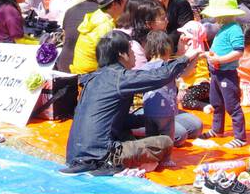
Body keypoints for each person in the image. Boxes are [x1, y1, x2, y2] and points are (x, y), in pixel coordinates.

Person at [62, 32, 202, 175]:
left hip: (74, 154)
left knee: (131, 133)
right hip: (102, 156)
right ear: (122, 55)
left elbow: (116, 118)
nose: (135, 54)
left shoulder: (92, 78)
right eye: (131, 49)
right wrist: (186, 57)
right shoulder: (119, 77)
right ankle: (117, 164)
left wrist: (147, 119)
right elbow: (160, 76)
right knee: (165, 142)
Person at [139, 30, 203, 143]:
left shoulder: (145, 68)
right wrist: (195, 56)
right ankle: (166, 157)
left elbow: (185, 72)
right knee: (169, 134)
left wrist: (195, 57)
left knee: (151, 136)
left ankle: (151, 152)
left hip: (149, 112)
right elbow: (186, 72)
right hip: (166, 112)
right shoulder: (169, 66)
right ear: (166, 48)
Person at [203, 0, 247, 147]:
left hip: (227, 74)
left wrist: (219, 59)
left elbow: (238, 51)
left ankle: (240, 137)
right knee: (216, 102)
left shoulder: (234, 28)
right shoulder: (223, 28)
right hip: (216, 72)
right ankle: (217, 129)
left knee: (232, 105)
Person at [71, 0, 130, 74]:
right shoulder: (105, 27)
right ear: (114, 4)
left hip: (81, 72)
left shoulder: (98, 14)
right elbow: (109, 63)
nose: (126, 0)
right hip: (88, 77)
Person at [55, 0, 105, 72]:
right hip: (86, 71)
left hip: (64, 65)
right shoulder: (103, 14)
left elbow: (65, 39)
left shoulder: (70, 11)